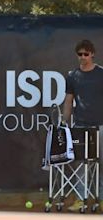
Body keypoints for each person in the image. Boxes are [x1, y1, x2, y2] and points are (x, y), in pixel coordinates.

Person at [63, 39, 103, 212]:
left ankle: (101, 199)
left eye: (86, 54)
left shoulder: (101, 73)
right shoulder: (72, 76)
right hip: (80, 126)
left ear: (92, 54)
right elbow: (68, 100)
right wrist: (65, 122)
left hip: (101, 125)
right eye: (80, 54)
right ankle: (80, 200)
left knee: (101, 163)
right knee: (80, 165)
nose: (83, 57)